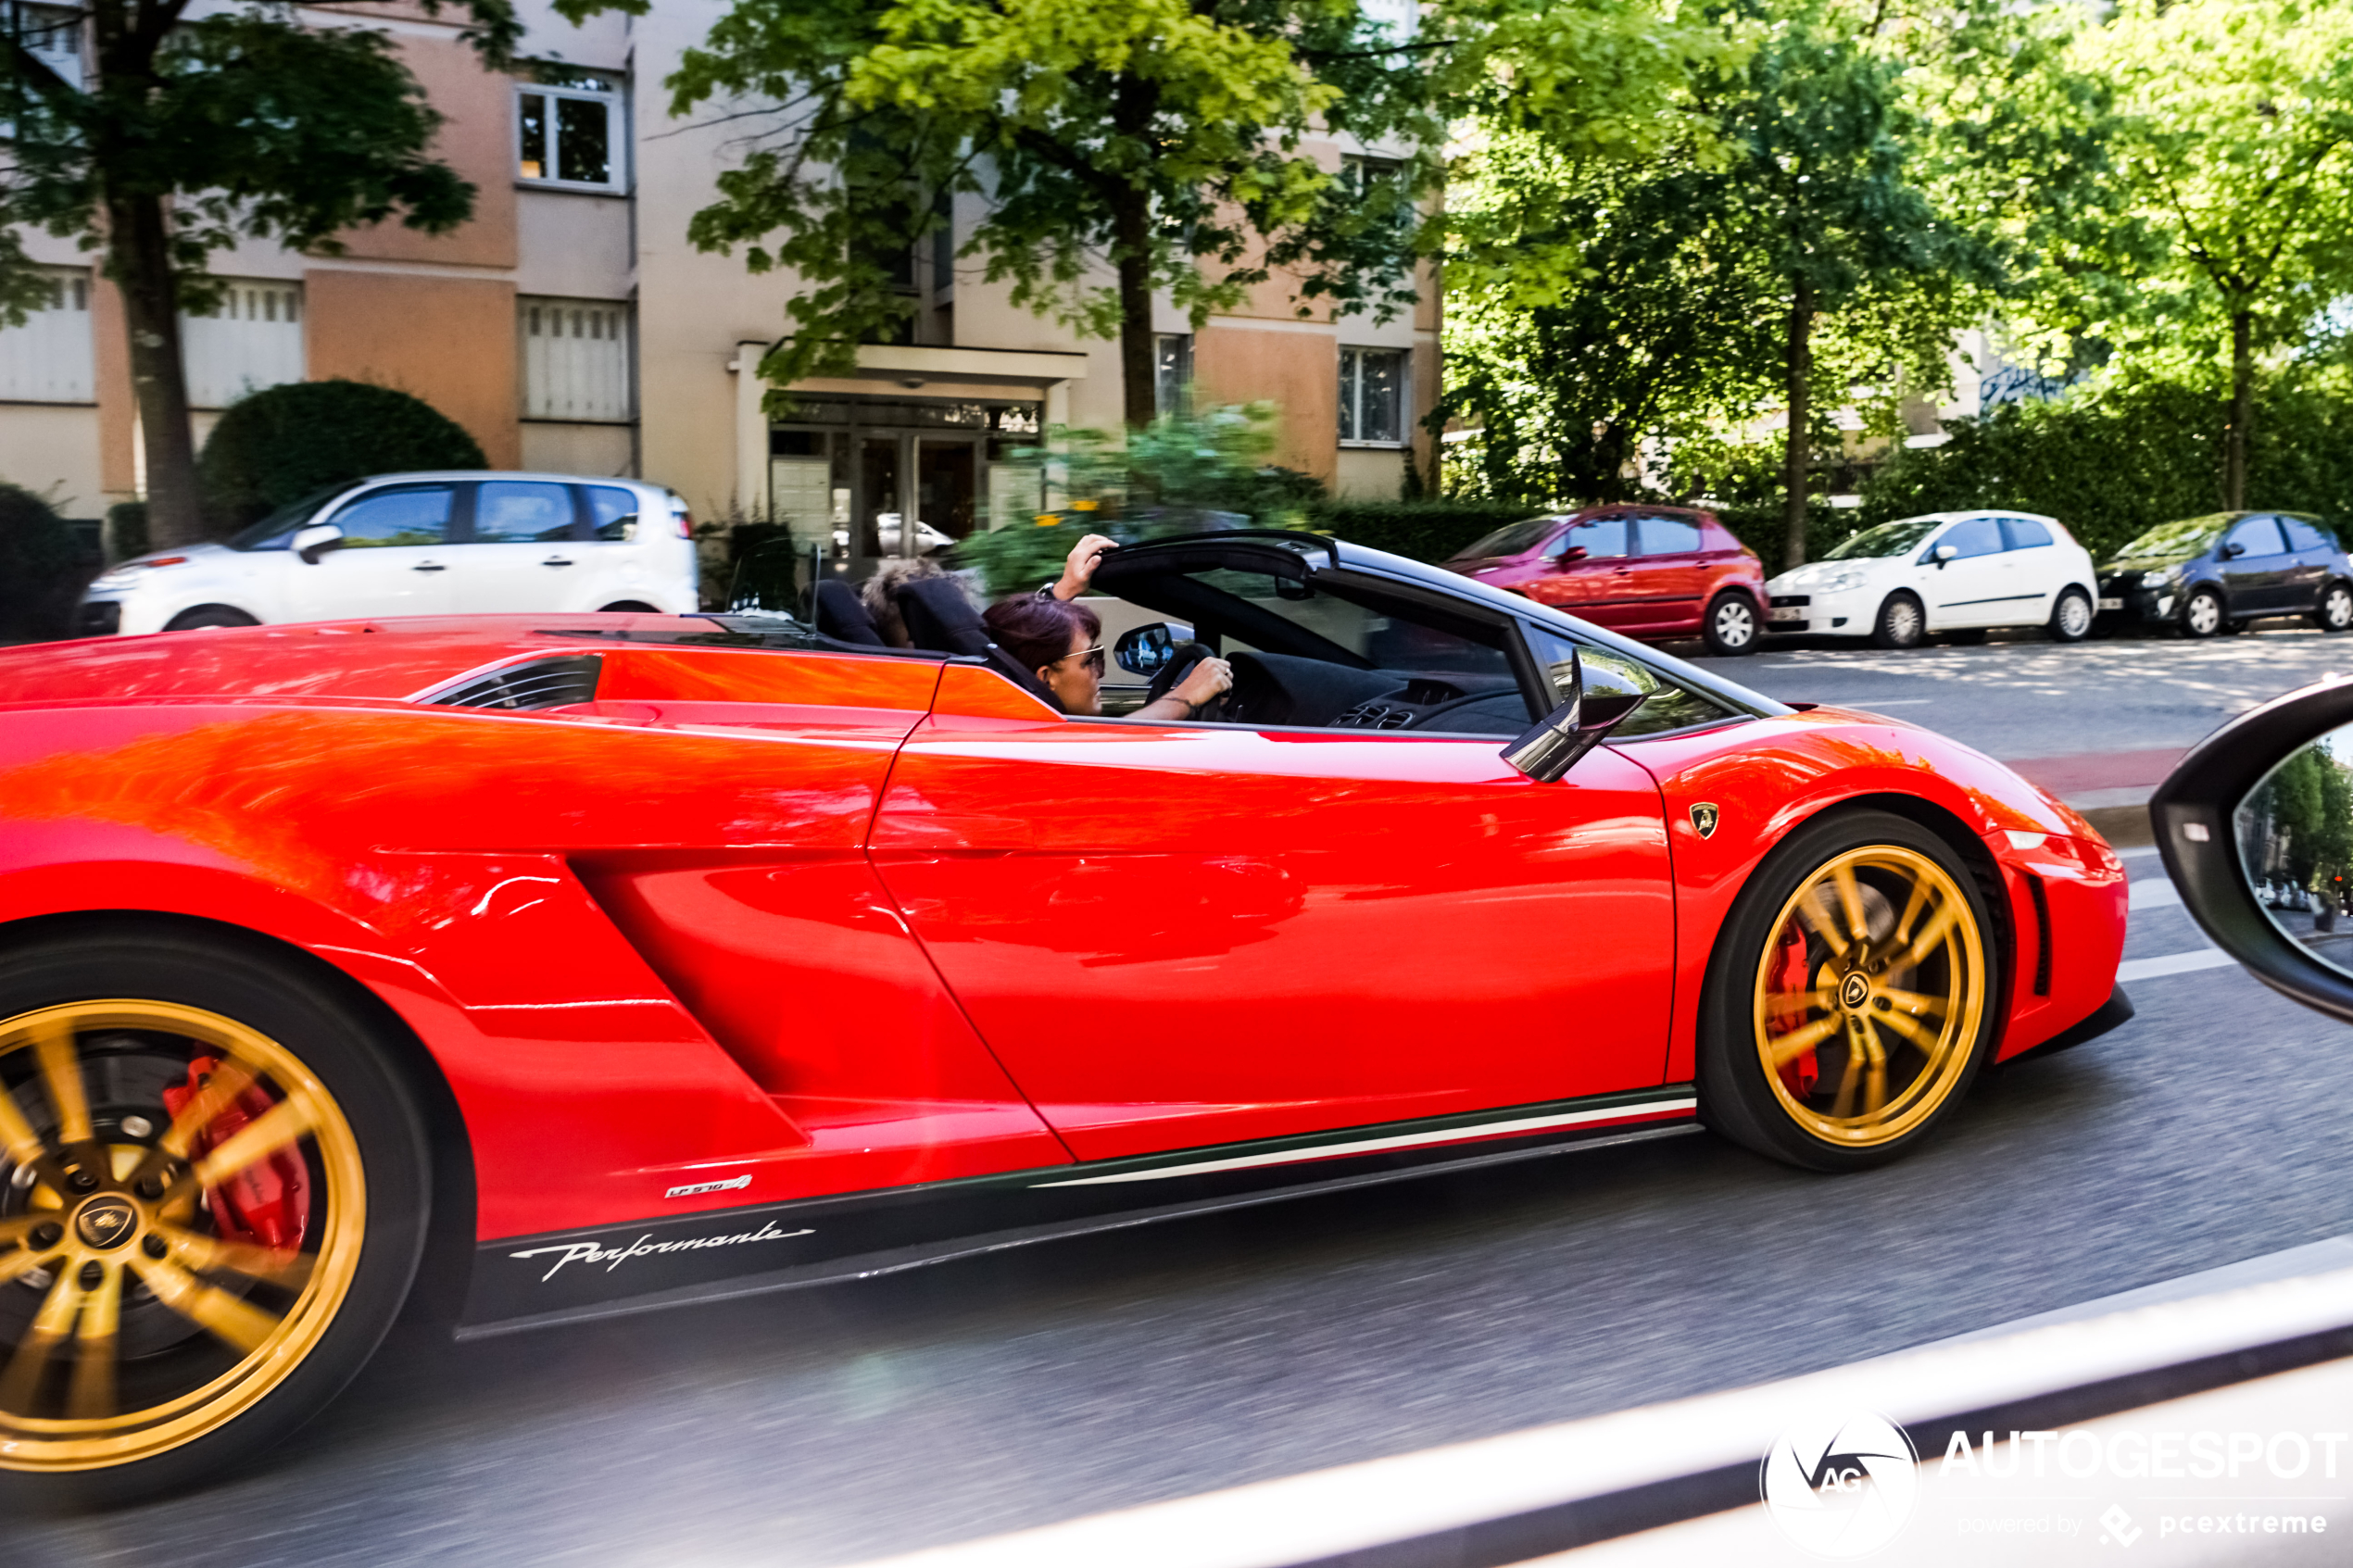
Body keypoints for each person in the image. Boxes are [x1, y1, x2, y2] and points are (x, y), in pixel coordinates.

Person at [984, 533, 1232, 719]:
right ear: (1047, 678)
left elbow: (1011, 656)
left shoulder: (1008, 728)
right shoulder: (1037, 746)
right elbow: (1109, 746)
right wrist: (1186, 697)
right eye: (1089, 659)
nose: (1100, 672)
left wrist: (1062, 592)